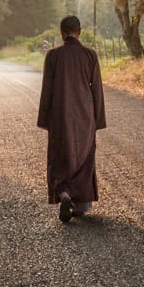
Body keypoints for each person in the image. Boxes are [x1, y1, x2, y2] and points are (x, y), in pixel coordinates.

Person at [37, 15, 106, 223]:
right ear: (80, 31)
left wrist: (45, 118)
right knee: (84, 156)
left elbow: (47, 90)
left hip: (60, 113)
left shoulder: (53, 56)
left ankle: (64, 193)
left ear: (61, 32)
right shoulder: (90, 55)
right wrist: (98, 119)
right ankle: (80, 204)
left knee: (60, 155)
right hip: (85, 114)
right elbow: (97, 90)